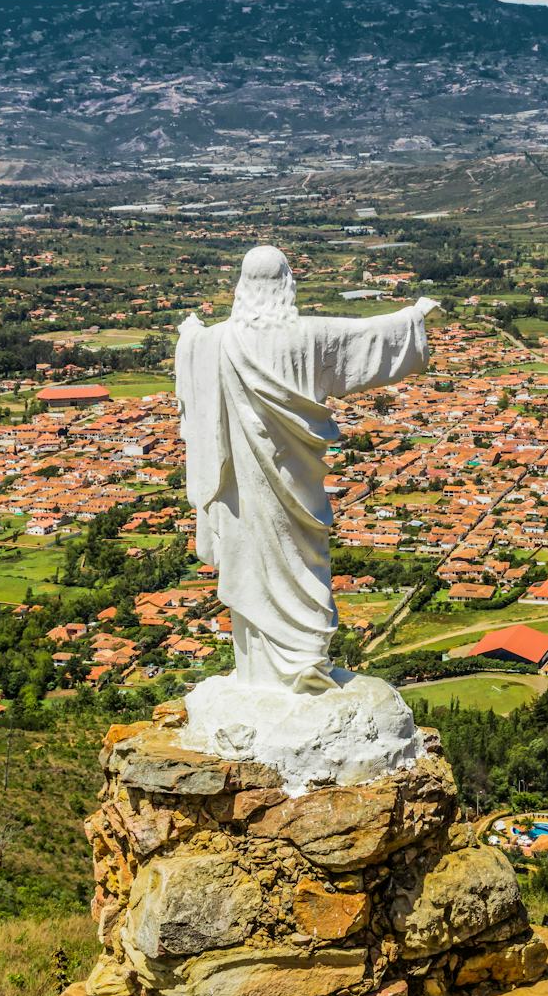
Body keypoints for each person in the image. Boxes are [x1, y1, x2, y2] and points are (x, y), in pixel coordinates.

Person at [177, 245, 440, 694]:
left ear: (241, 287)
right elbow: (371, 338)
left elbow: (193, 367)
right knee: (300, 561)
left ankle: (260, 675)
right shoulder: (310, 335)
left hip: (241, 489)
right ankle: (304, 663)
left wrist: (191, 337)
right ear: (287, 283)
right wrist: (416, 315)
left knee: (249, 562)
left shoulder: (213, 342)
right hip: (297, 484)